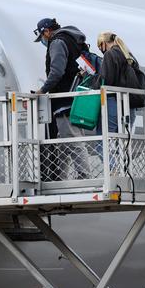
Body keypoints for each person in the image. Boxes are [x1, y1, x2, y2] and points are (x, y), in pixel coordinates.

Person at [33, 18, 88, 180]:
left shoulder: (57, 42)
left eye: (42, 36)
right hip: (77, 97)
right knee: (64, 141)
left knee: (72, 140)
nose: (43, 40)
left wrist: (42, 90)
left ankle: (85, 177)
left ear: (47, 31)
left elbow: (57, 71)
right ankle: (61, 177)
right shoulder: (72, 39)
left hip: (65, 99)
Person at [96, 32, 143, 133]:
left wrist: (95, 82)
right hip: (130, 102)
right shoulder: (129, 55)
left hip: (114, 101)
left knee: (107, 136)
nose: (100, 49)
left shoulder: (110, 54)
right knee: (125, 137)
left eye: (99, 46)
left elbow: (107, 79)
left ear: (104, 43)